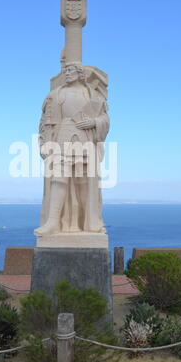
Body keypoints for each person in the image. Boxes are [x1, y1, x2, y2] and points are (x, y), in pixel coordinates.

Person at [34, 62, 109, 236]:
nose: (66, 73)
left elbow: (105, 118)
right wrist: (44, 143)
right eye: (65, 70)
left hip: (85, 139)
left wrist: (94, 122)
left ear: (80, 73)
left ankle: (88, 222)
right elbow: (45, 122)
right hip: (62, 136)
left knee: (83, 181)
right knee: (58, 179)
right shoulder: (55, 95)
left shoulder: (92, 95)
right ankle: (53, 222)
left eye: (70, 70)